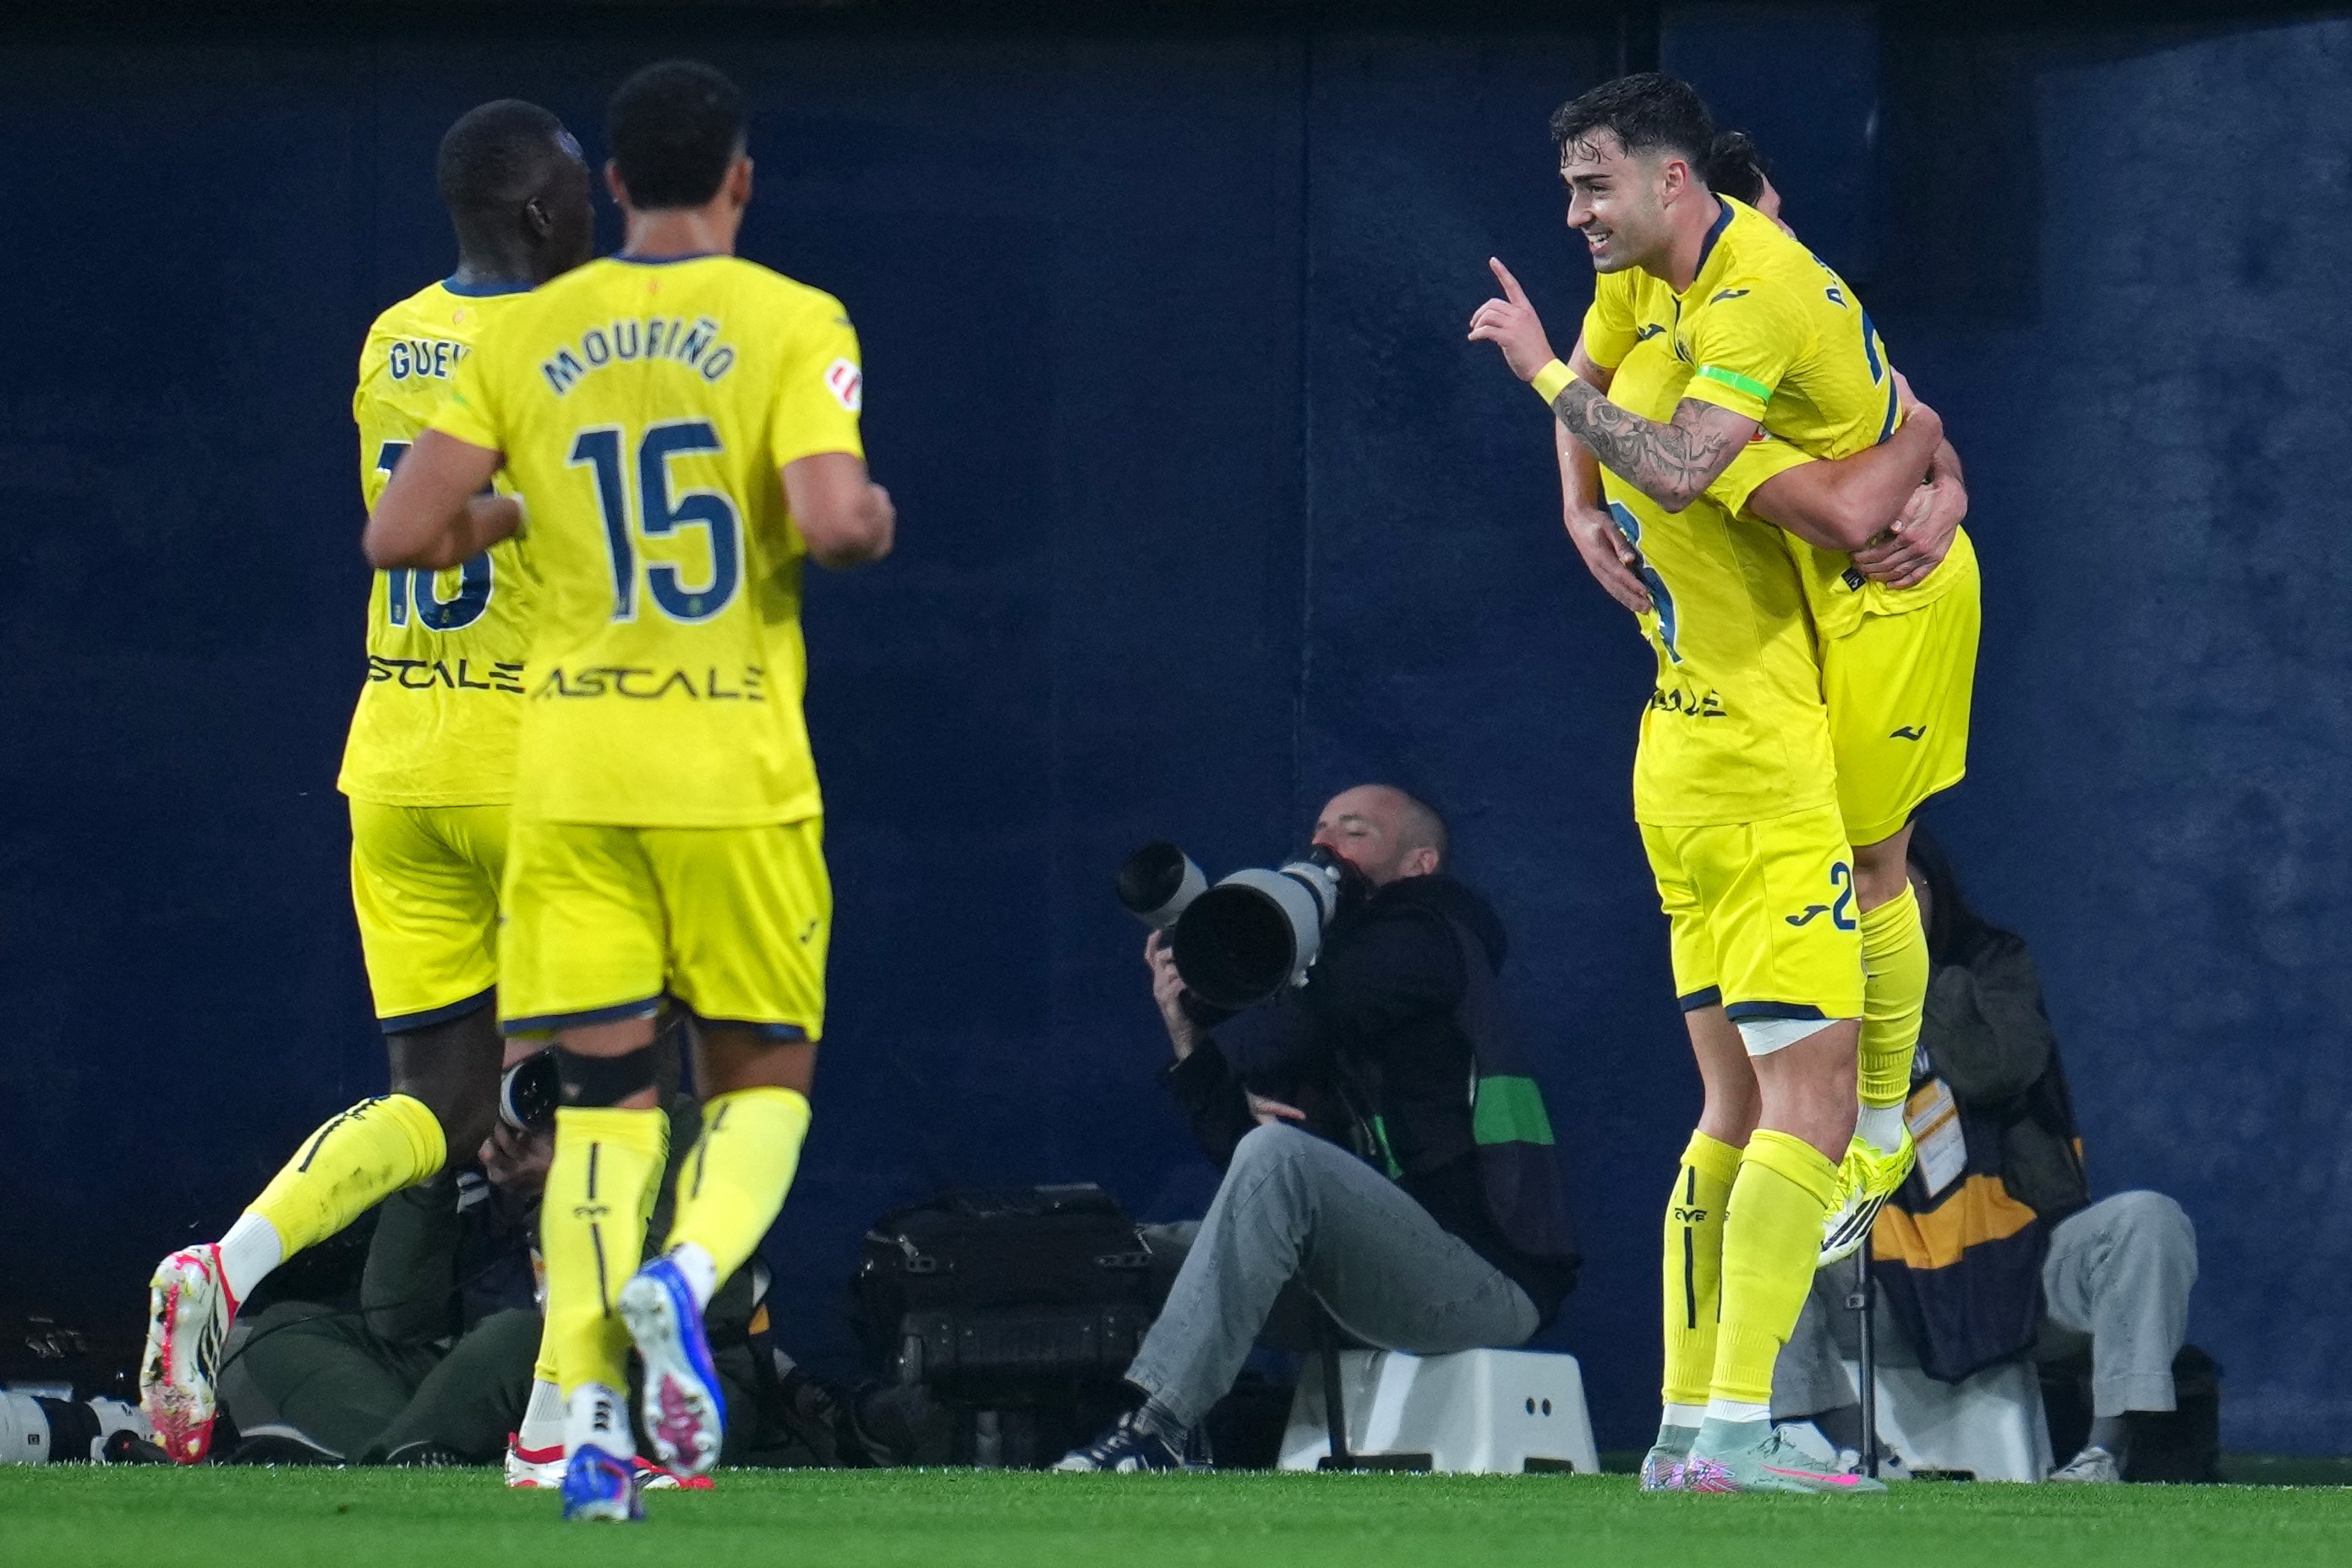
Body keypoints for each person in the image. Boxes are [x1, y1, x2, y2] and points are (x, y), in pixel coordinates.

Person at [366, 59, 895, 1522]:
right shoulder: (791, 320)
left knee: (598, 1109)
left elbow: (404, 531)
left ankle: (585, 1412)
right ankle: (688, 1274)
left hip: (571, 775)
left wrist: (534, 500)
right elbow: (831, 521)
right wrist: (866, 522)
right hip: (732, 767)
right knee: (757, 1083)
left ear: (609, 184)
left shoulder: (536, 331)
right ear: (737, 179)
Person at [1468, 74, 1958, 1494]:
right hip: (1760, 762)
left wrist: (1568, 459)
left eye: (1591, 191)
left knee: (1728, 1110)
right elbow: (1814, 485)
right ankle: (1742, 1422)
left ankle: (1692, 1421)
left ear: (1681, 188)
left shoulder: (1721, 319)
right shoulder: (1713, 412)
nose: (1573, 218)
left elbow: (1642, 417)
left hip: (1680, 760)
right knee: (1811, 1070)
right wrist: (1922, 444)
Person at [139, 99, 596, 1467]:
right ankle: (560, 1424)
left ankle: (227, 1266)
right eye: (575, 195)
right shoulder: (570, 348)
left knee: (435, 1108)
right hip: (527, 750)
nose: (592, 214)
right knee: (626, 1083)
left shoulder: (394, 334)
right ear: (536, 214)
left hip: (396, 747)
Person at [1053, 785, 1580, 1472]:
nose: (1325, 846)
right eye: (1320, 828)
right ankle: (1078, 1434)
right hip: (1366, 1282)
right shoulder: (1323, 974)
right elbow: (1250, 1173)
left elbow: (1284, 1043)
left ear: (1420, 861)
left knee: (1281, 1154)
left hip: (1483, 1283)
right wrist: (1186, 1026)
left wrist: (1230, 957)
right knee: (1125, 1254)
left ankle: (1163, 1429)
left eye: (1354, 831)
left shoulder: (1433, 936)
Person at [1772, 828, 2200, 1483]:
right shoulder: (1807, 998)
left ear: (1934, 890)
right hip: (1879, 1282)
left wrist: (1907, 976)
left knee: (2149, 1220)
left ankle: (2103, 1455)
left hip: (2022, 1268)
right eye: (1863, 899)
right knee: (1751, 1226)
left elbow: (2001, 1065)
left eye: (1899, 890)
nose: (1883, 909)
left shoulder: (1993, 969)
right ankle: (1857, 1450)